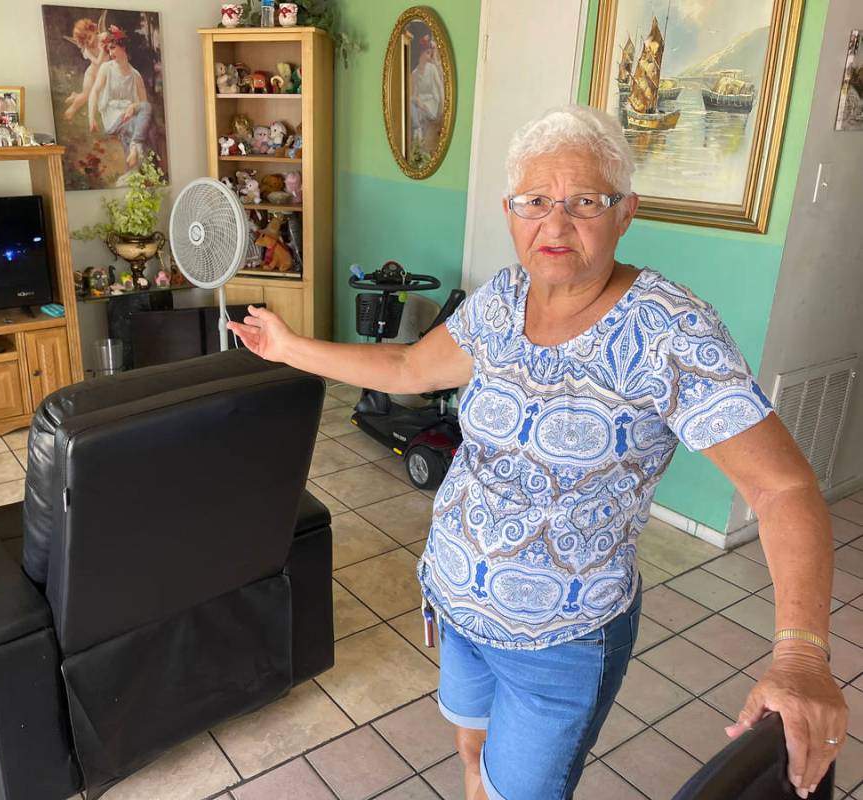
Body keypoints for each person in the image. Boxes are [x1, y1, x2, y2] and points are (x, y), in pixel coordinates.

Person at [227, 105, 848, 800]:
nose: (554, 225)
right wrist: (286, 348)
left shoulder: (668, 330)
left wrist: (799, 655)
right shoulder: (503, 297)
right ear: (509, 210)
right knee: (472, 751)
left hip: (561, 641)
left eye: (584, 201)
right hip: (455, 604)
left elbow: (782, 490)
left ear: (625, 212)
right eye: (535, 202)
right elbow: (409, 370)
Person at [88, 25, 153, 176]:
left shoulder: (135, 75)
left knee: (144, 113)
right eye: (108, 50)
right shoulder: (107, 69)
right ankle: (135, 153)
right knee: (134, 124)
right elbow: (94, 92)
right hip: (112, 117)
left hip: (128, 115)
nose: (110, 53)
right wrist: (91, 119)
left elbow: (144, 105)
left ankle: (134, 154)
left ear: (123, 47)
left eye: (113, 48)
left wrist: (133, 107)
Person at [63, 14, 108, 121]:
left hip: (104, 73)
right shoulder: (87, 50)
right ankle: (70, 111)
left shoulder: (103, 37)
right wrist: (102, 50)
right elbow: (97, 62)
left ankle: (74, 96)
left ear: (93, 30)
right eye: (85, 42)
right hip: (92, 74)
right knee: (86, 95)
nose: (89, 42)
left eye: (89, 37)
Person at [410, 34, 445, 157]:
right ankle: (418, 130)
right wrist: (417, 100)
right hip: (420, 102)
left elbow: (439, 90)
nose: (429, 56)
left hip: (432, 103)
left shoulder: (432, 69)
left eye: (430, 53)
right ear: (421, 54)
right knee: (412, 103)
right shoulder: (414, 74)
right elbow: (413, 94)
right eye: (427, 53)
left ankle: (419, 132)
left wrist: (440, 105)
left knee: (417, 106)